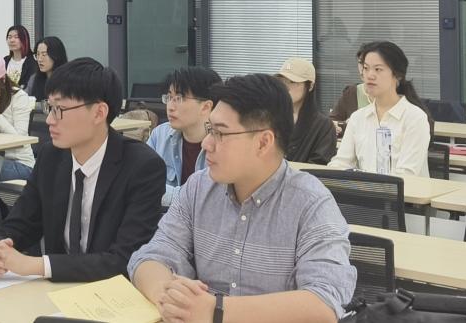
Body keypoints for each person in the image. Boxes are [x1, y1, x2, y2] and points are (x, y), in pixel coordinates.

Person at [129, 74, 356, 323]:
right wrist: (169, 298)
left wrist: (215, 310)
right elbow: (151, 257)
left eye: (220, 133)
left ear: (263, 142)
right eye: (209, 130)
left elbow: (323, 305)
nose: (206, 144)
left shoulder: (311, 204)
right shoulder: (199, 187)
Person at [0, 58, 165, 283]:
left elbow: (124, 259)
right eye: (49, 107)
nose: (49, 120)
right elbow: (22, 222)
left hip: (111, 294)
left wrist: (36, 265)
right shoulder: (51, 157)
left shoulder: (142, 167)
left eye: (60, 109)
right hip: (54, 291)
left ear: (99, 113)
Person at [328, 41, 431, 177]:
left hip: (404, 191)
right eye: (366, 68)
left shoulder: (415, 118)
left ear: (397, 75)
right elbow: (341, 162)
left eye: (378, 69)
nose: (370, 75)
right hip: (365, 189)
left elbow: (406, 175)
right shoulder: (358, 118)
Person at [146, 66, 220, 207]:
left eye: (179, 99)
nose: (170, 107)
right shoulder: (160, 135)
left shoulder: (224, 143)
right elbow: (139, 182)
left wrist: (162, 193)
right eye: (169, 98)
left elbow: (211, 201)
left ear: (206, 106)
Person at [278, 58, 337, 165]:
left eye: (293, 82)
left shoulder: (323, 126)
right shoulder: (270, 118)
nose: (286, 87)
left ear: (310, 86)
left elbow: (319, 165)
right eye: (283, 81)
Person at [329, 43, 371, 136]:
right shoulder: (351, 92)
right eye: (360, 62)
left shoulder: (394, 95)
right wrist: (341, 126)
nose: (363, 68)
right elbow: (333, 121)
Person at [3, 25, 37, 90]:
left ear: (24, 40)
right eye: (9, 37)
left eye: (16, 37)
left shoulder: (32, 63)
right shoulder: (4, 61)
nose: (12, 40)